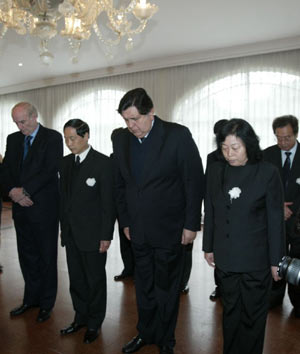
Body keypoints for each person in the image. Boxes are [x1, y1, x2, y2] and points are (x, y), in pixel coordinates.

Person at [112, 88, 204, 354]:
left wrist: (190, 224)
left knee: (166, 288)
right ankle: (145, 333)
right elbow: (121, 186)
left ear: (151, 112)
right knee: (143, 286)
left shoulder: (177, 135)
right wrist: (126, 221)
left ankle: (166, 339)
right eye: (125, 120)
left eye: (135, 119)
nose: (130, 126)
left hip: (170, 229)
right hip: (137, 230)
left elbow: (193, 180)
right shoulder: (121, 140)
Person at [203, 118, 285, 354]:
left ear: (248, 144)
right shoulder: (217, 170)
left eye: (235, 148)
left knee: (252, 315)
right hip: (226, 257)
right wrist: (208, 245)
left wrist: (276, 261)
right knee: (230, 312)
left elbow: (275, 220)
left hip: (256, 260)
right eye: (224, 148)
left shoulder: (267, 173)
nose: (229, 154)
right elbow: (211, 209)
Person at [2, 102, 63, 322]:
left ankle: (46, 303)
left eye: (23, 121)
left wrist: (24, 191)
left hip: (44, 208)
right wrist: (12, 191)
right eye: (16, 122)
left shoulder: (53, 137)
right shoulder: (13, 139)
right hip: (20, 208)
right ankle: (30, 299)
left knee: (46, 256)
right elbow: (6, 168)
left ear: (35, 116)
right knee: (26, 256)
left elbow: (50, 170)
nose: (20, 127)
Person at [59, 119, 115, 344]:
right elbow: (64, 200)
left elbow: (108, 204)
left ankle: (94, 322)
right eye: (66, 139)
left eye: (73, 138)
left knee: (94, 280)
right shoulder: (64, 163)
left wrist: (106, 235)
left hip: (93, 235)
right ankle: (80, 317)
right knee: (76, 279)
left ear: (86, 136)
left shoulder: (102, 163)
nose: (69, 143)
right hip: (71, 233)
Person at [263, 115, 300, 316]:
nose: (282, 142)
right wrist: (278, 206)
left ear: (295, 133)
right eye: (278, 138)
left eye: (287, 138)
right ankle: (274, 298)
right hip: (273, 218)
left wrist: (292, 210)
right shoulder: (266, 155)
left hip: (298, 221)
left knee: (297, 260)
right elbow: (260, 187)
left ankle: (297, 299)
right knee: (275, 257)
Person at [206, 119, 228, 301]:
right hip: (218, 210)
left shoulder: (242, 155)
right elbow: (209, 187)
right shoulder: (212, 157)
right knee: (218, 254)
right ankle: (219, 287)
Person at [111, 128, 135, 282]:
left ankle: (139, 271)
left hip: (136, 206)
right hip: (120, 206)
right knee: (124, 240)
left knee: (136, 241)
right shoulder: (112, 158)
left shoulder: (136, 156)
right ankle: (128, 269)